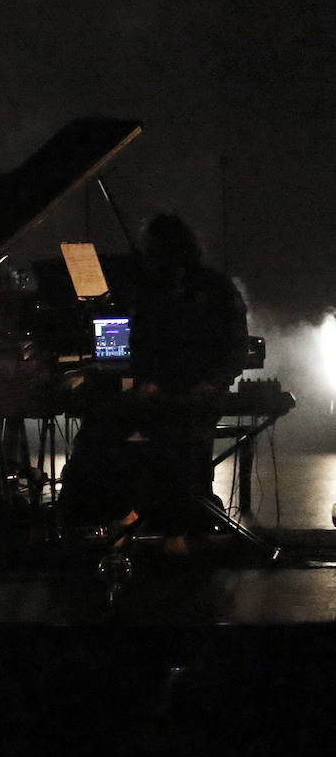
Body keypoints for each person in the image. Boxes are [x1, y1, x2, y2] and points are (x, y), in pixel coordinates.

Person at [125, 213, 248, 553]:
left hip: (199, 392)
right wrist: (148, 382)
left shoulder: (214, 289)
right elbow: (140, 342)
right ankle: (176, 520)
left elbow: (235, 344)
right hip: (170, 389)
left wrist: (213, 382)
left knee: (177, 443)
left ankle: (177, 523)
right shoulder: (152, 290)